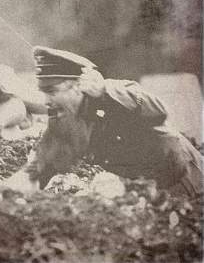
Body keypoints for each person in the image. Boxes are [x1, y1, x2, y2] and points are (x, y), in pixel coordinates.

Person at [25, 46, 202, 197]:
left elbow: (158, 110)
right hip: (147, 190)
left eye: (52, 91)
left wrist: (105, 92)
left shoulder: (113, 93)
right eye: (43, 92)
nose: (46, 100)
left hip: (185, 181)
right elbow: (44, 162)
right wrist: (13, 188)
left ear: (78, 85)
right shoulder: (64, 117)